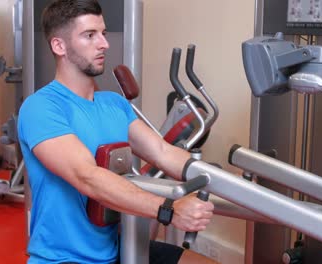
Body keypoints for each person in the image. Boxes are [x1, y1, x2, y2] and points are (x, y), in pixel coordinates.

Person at [17, 0, 216, 263]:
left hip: (116, 250)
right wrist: (169, 210)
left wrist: (237, 190)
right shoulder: (41, 107)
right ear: (59, 46)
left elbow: (162, 152)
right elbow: (87, 177)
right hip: (63, 258)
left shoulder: (114, 103)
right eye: (90, 35)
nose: (104, 44)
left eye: (103, 33)